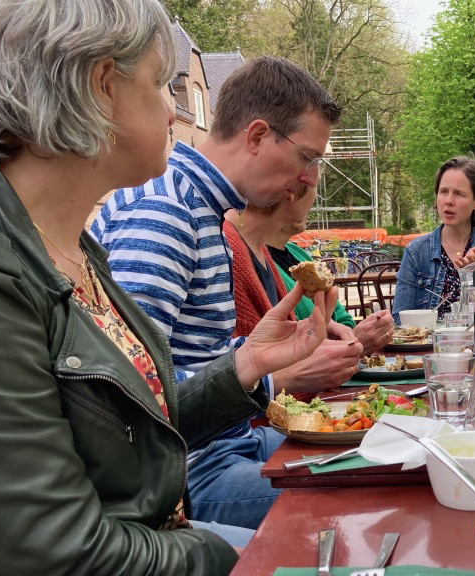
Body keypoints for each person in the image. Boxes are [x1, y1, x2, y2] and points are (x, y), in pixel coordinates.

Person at [0, 1, 334, 574]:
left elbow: (126, 427)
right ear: (101, 86)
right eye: (162, 84)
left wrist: (246, 367)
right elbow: (57, 551)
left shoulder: (67, 247)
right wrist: (237, 556)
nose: (174, 112)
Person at [91, 56, 355, 529]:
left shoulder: (199, 210)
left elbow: (177, 355)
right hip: (192, 474)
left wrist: (264, 352)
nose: (310, 178)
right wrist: (266, 374)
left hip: (227, 445)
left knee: (375, 452)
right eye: (307, 157)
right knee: (354, 502)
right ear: (256, 136)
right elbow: (126, 393)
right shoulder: (166, 213)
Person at [224, 184, 393, 355]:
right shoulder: (240, 256)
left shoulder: (298, 254)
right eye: (312, 185)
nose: (315, 195)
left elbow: (341, 319)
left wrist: (347, 335)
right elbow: (282, 347)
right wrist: (352, 342)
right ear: (289, 194)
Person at [392, 155, 475, 322]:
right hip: (429, 346)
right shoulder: (416, 251)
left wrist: (473, 279)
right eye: (443, 192)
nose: (448, 201)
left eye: (459, 194)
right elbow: (399, 318)